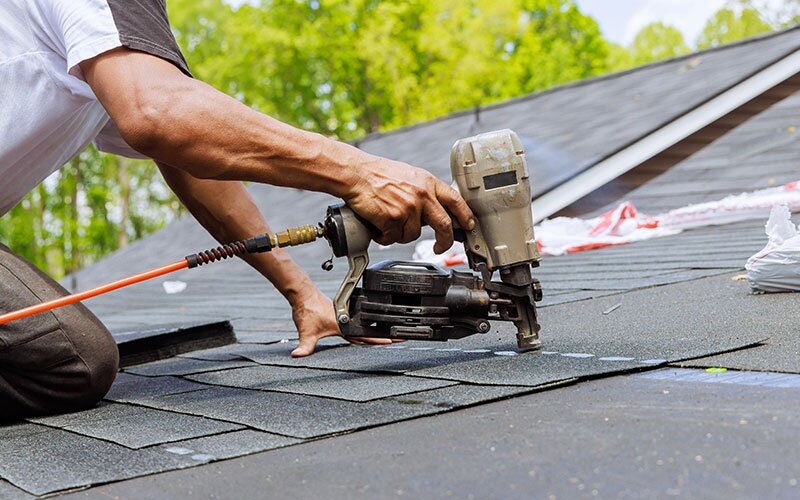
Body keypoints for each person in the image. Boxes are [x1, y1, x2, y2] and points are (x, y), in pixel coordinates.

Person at [0, 0, 474, 419]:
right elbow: (157, 113)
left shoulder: (112, 39)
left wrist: (301, 293)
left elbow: (186, 158)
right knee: (72, 361)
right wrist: (360, 172)